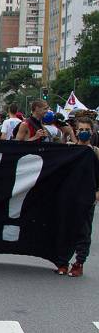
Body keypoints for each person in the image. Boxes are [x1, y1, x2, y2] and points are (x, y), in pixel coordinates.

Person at [63, 118, 99, 277]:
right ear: (76, 131)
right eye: (81, 129)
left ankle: (79, 263)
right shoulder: (69, 150)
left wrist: (97, 193)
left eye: (87, 129)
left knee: (83, 231)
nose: (84, 132)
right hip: (69, 195)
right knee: (65, 228)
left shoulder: (96, 152)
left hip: (87, 197)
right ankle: (62, 261)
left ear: (92, 132)